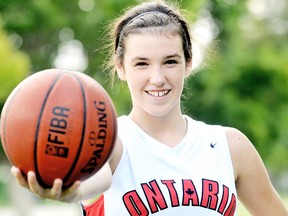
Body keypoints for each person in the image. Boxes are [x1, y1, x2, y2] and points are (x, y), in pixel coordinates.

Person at [11, 0, 288, 215]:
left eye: (170, 62)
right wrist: (64, 190)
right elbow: (90, 182)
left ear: (188, 63)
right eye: (141, 63)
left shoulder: (231, 146)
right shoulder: (108, 140)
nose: (157, 78)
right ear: (121, 68)